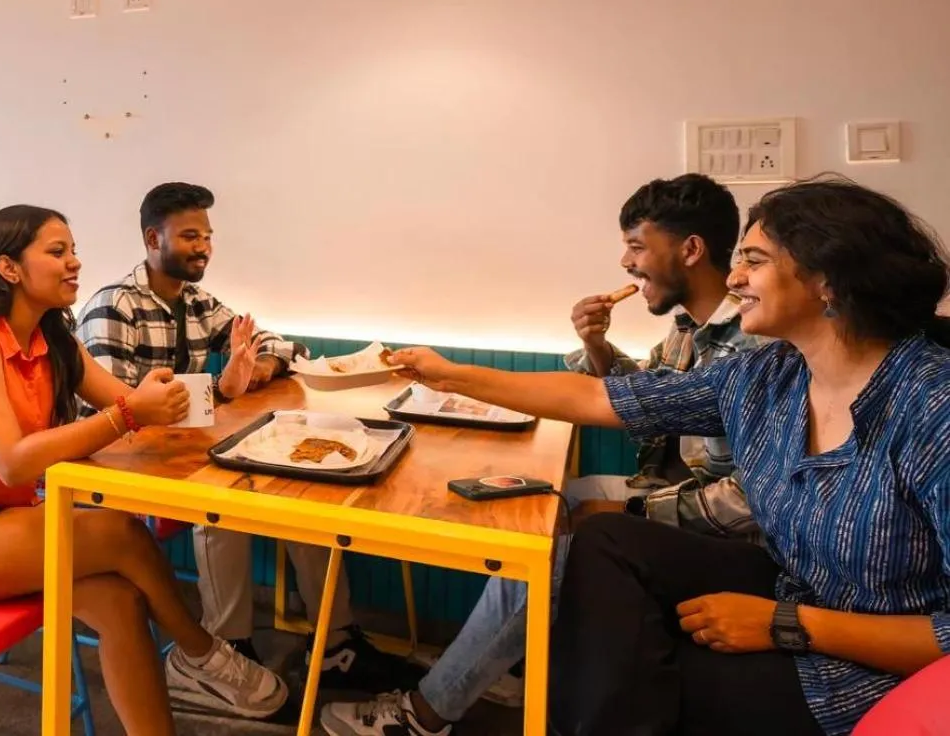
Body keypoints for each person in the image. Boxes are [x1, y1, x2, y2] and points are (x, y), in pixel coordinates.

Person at [390, 178, 950, 736]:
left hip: (870, 666)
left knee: (612, 675)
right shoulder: (768, 375)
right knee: (601, 544)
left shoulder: (933, 406)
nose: (733, 278)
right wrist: (448, 374)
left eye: (753, 261)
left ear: (828, 279)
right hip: (793, 585)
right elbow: (597, 396)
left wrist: (786, 624)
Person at [323, 174, 764, 736]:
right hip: (670, 492)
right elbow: (645, 399)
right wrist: (597, 347)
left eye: (636, 246)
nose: (625, 263)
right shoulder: (688, 330)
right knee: (545, 506)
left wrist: (632, 515)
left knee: (553, 536)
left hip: (734, 538)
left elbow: (755, 496)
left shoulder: (752, 345)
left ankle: (425, 714)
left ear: (691, 249)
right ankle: (505, 661)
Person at [0, 205, 289, 731]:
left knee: (119, 602)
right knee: (121, 534)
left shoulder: (55, 341)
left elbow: (137, 406)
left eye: (73, 250)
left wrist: (221, 389)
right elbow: (11, 461)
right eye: (57, 252)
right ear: (8, 268)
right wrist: (128, 414)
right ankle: (201, 655)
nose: (75, 263)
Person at [78, 181, 407, 691]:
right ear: (151, 238)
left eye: (207, 236)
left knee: (302, 491)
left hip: (175, 450)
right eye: (190, 236)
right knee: (221, 506)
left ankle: (334, 643)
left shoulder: (195, 301)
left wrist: (260, 365)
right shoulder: (112, 306)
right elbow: (118, 410)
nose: (204, 247)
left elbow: (277, 342)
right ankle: (226, 648)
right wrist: (220, 388)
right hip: (109, 465)